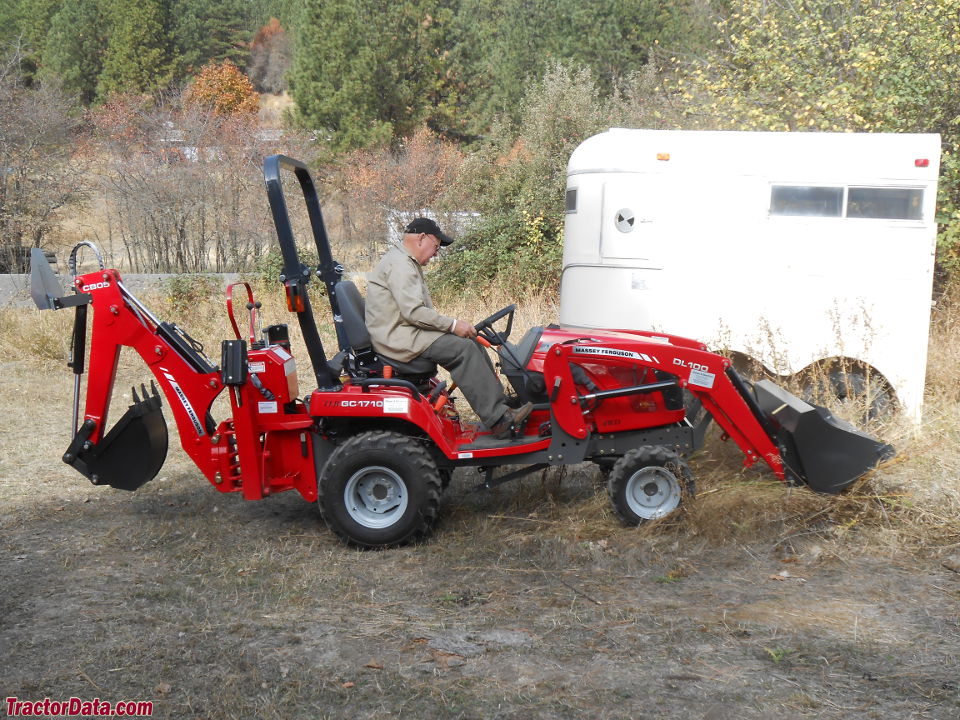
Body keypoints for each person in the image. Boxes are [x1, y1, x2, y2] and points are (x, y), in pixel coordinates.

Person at [365, 217, 533, 439]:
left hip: (403, 331)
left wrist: (454, 327)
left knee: (471, 341)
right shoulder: (401, 265)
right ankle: (500, 420)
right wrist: (453, 325)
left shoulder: (403, 261)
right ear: (421, 238)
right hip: (399, 338)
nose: (435, 253)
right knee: (463, 350)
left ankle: (501, 405)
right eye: (436, 246)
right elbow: (413, 312)